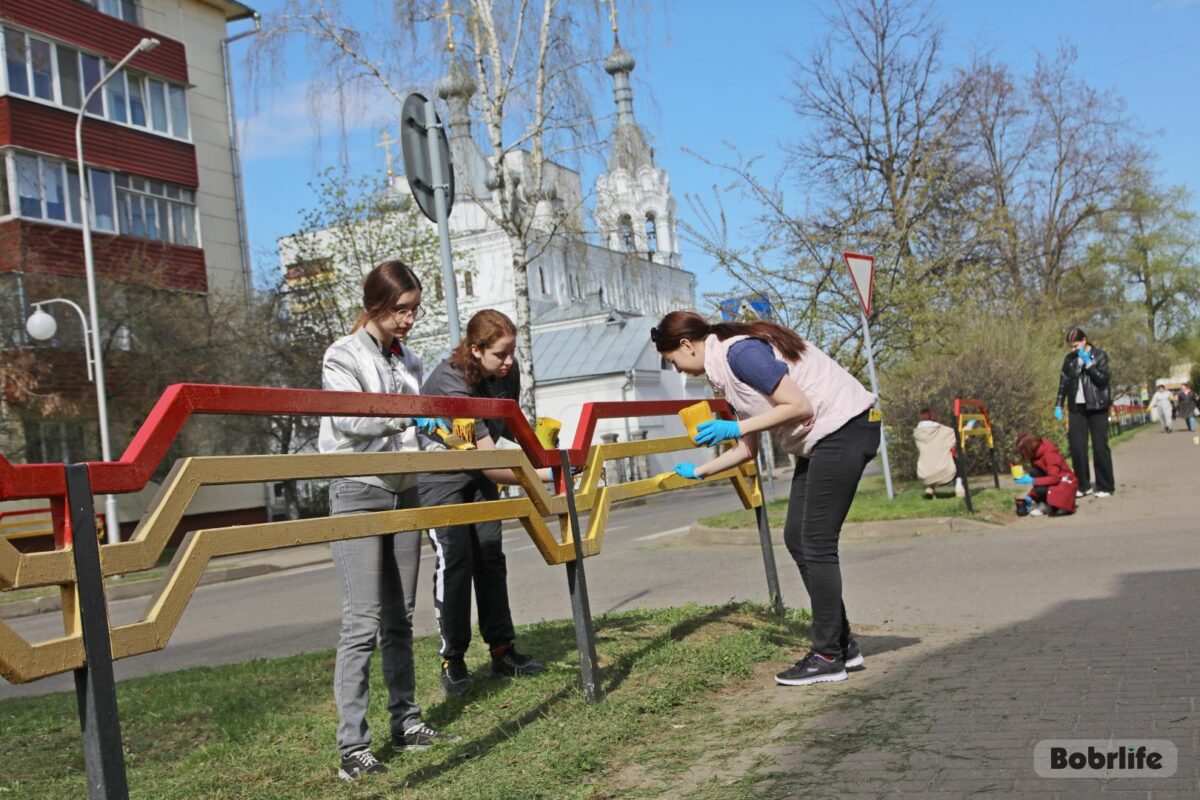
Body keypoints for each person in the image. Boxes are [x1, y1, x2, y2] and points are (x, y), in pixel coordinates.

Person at [651, 310, 879, 687]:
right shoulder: (723, 372)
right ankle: (842, 645)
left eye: (672, 360)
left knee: (818, 542)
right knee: (796, 537)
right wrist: (700, 471)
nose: (677, 369)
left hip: (845, 428)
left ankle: (826, 656)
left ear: (686, 345)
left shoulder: (740, 355)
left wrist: (735, 425)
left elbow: (799, 406)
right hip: (825, 439)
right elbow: (747, 450)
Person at [318, 260, 458, 782]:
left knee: (400, 616)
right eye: (402, 309)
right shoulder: (342, 354)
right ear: (376, 306)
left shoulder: (411, 359)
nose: (410, 319)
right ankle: (353, 747)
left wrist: (441, 436)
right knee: (362, 620)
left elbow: (415, 430)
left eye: (415, 309)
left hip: (404, 490)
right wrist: (407, 414)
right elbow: (348, 418)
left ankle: (407, 721)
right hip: (358, 489)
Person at [419, 309, 549, 697]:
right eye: (500, 355)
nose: (509, 362)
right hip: (441, 476)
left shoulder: (506, 372)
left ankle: (503, 651)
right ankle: (453, 659)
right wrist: (548, 476)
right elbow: (492, 465)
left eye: (511, 352)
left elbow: (513, 424)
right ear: (475, 350)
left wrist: (547, 459)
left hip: (480, 469)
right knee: (456, 561)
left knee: (490, 556)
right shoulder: (451, 382)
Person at [1053, 327, 1114, 498]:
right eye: (1071, 347)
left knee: (1100, 447)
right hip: (1076, 408)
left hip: (1097, 406)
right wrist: (1059, 404)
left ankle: (1105, 486)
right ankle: (1083, 485)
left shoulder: (1100, 355)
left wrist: (1089, 364)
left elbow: (1102, 380)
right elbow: (1064, 381)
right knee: (1077, 447)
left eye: (1076, 346)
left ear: (1084, 340)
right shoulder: (1069, 359)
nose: (1073, 350)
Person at [1015, 433, 1077, 516]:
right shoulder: (1036, 455)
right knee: (1034, 472)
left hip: (1065, 484)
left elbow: (1054, 478)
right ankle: (1047, 503)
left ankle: (1055, 505)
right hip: (1056, 484)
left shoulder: (1049, 455)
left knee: (1039, 486)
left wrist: (1033, 480)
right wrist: (1030, 497)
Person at [913, 408, 965, 499]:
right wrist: (967, 429)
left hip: (924, 473)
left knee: (931, 460)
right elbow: (958, 437)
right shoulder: (944, 431)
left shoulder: (916, 434)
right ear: (933, 416)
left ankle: (930, 488)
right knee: (957, 462)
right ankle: (959, 487)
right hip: (944, 470)